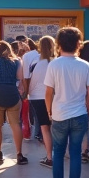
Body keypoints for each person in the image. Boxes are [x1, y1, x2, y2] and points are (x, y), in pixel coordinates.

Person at [44, 26, 89, 178]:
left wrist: (49, 110)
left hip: (59, 115)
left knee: (58, 153)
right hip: (79, 114)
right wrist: (88, 108)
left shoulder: (54, 65)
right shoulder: (85, 65)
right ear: (78, 44)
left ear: (58, 44)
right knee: (75, 153)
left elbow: (49, 92)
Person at [0, 41, 28, 165]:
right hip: (13, 95)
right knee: (16, 124)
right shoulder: (16, 62)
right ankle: (19, 154)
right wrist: (22, 94)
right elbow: (20, 79)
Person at [26, 36, 56, 167]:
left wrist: (27, 94)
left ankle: (50, 157)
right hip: (56, 98)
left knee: (44, 128)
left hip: (37, 98)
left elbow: (30, 82)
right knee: (57, 128)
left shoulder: (35, 63)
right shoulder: (56, 62)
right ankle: (58, 154)